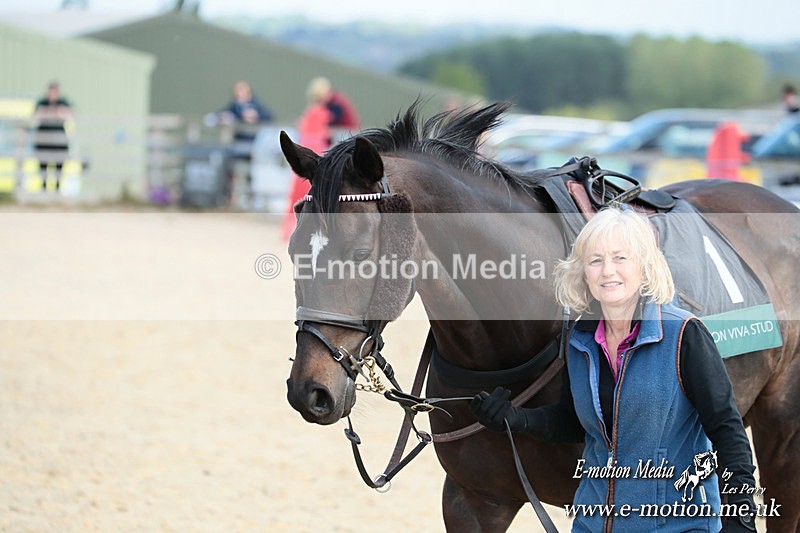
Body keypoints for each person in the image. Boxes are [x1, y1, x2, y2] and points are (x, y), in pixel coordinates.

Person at [470, 207, 758, 532]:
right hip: (592, 523)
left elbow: (726, 429)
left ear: (644, 266)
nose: (608, 271)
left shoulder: (684, 335)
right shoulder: (579, 340)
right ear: (583, 273)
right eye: (596, 260)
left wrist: (739, 518)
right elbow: (574, 422)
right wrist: (517, 418)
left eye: (620, 258)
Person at [280, 77, 357, 241]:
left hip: (315, 146)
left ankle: (292, 228)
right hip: (322, 147)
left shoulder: (321, 110)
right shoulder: (328, 110)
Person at [218, 81, 273, 204]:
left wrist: (255, 116)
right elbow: (221, 114)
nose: (239, 95)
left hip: (253, 145)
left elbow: (269, 117)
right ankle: (229, 199)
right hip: (237, 144)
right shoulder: (234, 106)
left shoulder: (256, 105)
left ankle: (250, 200)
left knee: (250, 174)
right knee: (231, 171)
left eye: (241, 92)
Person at [33, 81, 74, 192]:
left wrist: (49, 113)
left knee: (59, 164)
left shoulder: (63, 101)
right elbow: (37, 115)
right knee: (43, 164)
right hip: (44, 140)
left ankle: (57, 187)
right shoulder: (42, 102)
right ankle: (44, 187)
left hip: (59, 140)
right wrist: (56, 112)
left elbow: (69, 115)